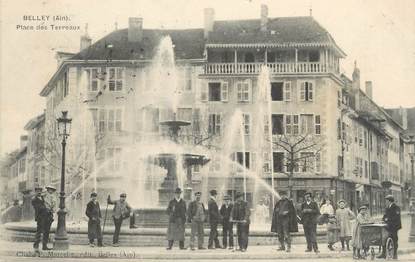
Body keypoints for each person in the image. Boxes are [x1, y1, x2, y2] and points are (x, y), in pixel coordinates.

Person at [377, 195, 402, 259]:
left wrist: (387, 220)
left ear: (389, 200)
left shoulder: (396, 207)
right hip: (387, 226)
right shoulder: (387, 207)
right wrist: (383, 220)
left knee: (394, 240)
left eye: (386, 200)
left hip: (394, 227)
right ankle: (383, 254)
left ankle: (395, 255)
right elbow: (385, 215)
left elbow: (396, 217)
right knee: (384, 239)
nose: (386, 202)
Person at [31, 187, 53, 251]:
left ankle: (44, 246)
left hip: (46, 217)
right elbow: (39, 208)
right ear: (35, 192)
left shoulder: (43, 198)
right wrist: (47, 209)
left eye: (40, 191)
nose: (39, 192)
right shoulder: (34, 199)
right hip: (40, 217)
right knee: (39, 232)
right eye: (38, 191)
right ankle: (36, 246)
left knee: (46, 232)